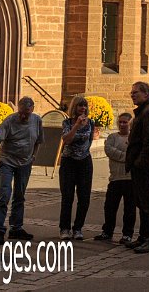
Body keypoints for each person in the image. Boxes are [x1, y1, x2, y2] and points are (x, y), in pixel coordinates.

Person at [0, 96, 42, 242]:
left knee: (19, 195)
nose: (23, 116)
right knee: (4, 194)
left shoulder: (37, 121)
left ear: (32, 110)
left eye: (26, 113)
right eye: (21, 112)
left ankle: (16, 228)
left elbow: (38, 141)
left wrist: (34, 156)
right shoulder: (10, 120)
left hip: (25, 163)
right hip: (7, 162)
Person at [126, 81, 149, 253]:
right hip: (139, 165)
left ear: (146, 94)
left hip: (144, 166)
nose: (132, 95)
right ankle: (143, 237)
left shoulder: (148, 112)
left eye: (136, 92)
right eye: (132, 92)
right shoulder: (144, 111)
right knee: (141, 202)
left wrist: (140, 162)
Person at [94, 112, 136, 244]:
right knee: (110, 207)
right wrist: (126, 158)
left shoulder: (134, 138)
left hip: (130, 178)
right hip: (115, 178)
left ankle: (127, 234)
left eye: (125, 122)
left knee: (129, 209)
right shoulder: (112, 137)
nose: (122, 124)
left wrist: (127, 158)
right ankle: (107, 231)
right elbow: (109, 150)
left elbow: (134, 153)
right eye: (121, 122)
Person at [59, 95, 94, 240]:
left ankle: (78, 228)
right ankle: (65, 228)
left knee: (84, 197)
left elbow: (90, 140)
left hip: (84, 162)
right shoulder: (67, 122)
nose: (83, 108)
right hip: (68, 162)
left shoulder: (91, 123)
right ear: (75, 107)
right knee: (67, 197)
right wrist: (76, 126)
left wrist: (83, 152)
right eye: (80, 106)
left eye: (85, 106)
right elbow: (66, 140)